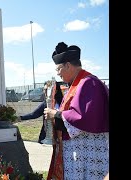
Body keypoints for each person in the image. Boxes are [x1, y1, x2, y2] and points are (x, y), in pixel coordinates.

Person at [44, 42, 109, 180]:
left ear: (67, 65)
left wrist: (55, 113)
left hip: (89, 149)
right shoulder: (78, 83)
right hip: (80, 148)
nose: (57, 73)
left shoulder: (88, 83)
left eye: (58, 69)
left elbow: (83, 117)